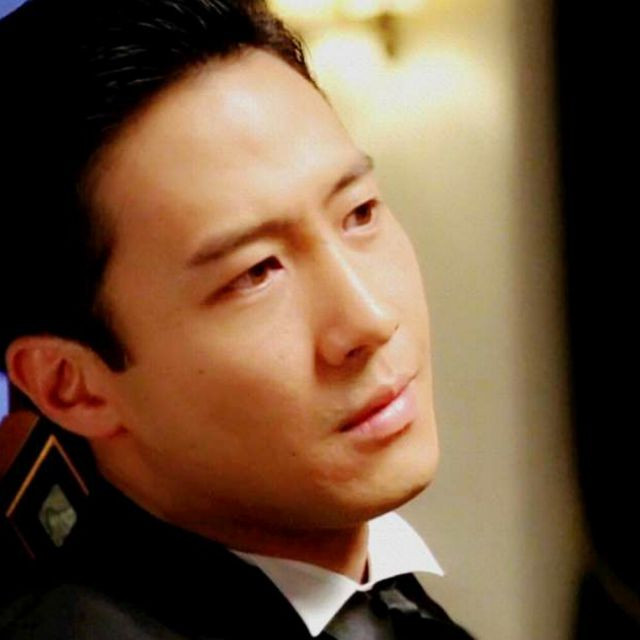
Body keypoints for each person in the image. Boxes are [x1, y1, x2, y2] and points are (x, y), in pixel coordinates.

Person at [0, 0, 474, 637]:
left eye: (359, 213)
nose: (370, 319)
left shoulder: (384, 600)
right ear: (71, 384)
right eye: (256, 273)